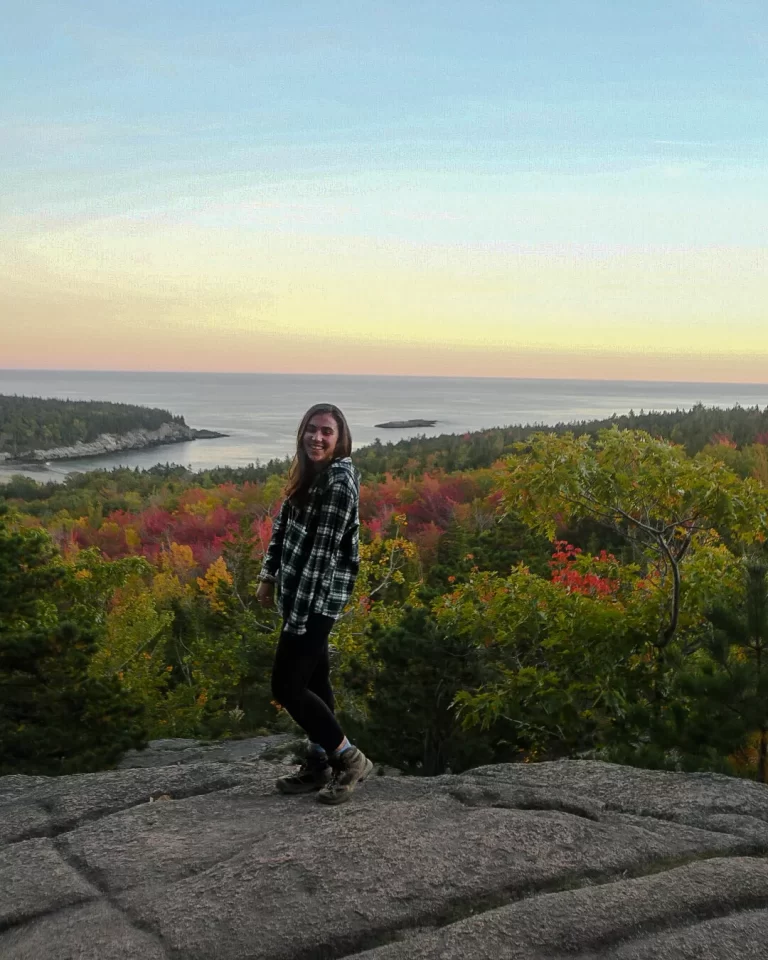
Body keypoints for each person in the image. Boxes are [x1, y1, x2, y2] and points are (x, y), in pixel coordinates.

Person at [255, 402, 373, 804]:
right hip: (298, 596)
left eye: (326, 431)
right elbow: (282, 531)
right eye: (311, 429)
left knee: (286, 686)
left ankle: (349, 757)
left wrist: (298, 620)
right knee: (315, 683)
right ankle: (320, 762)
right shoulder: (308, 476)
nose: (316, 437)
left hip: (317, 601)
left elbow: (321, 559)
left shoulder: (339, 483)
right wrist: (268, 577)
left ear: (340, 440)